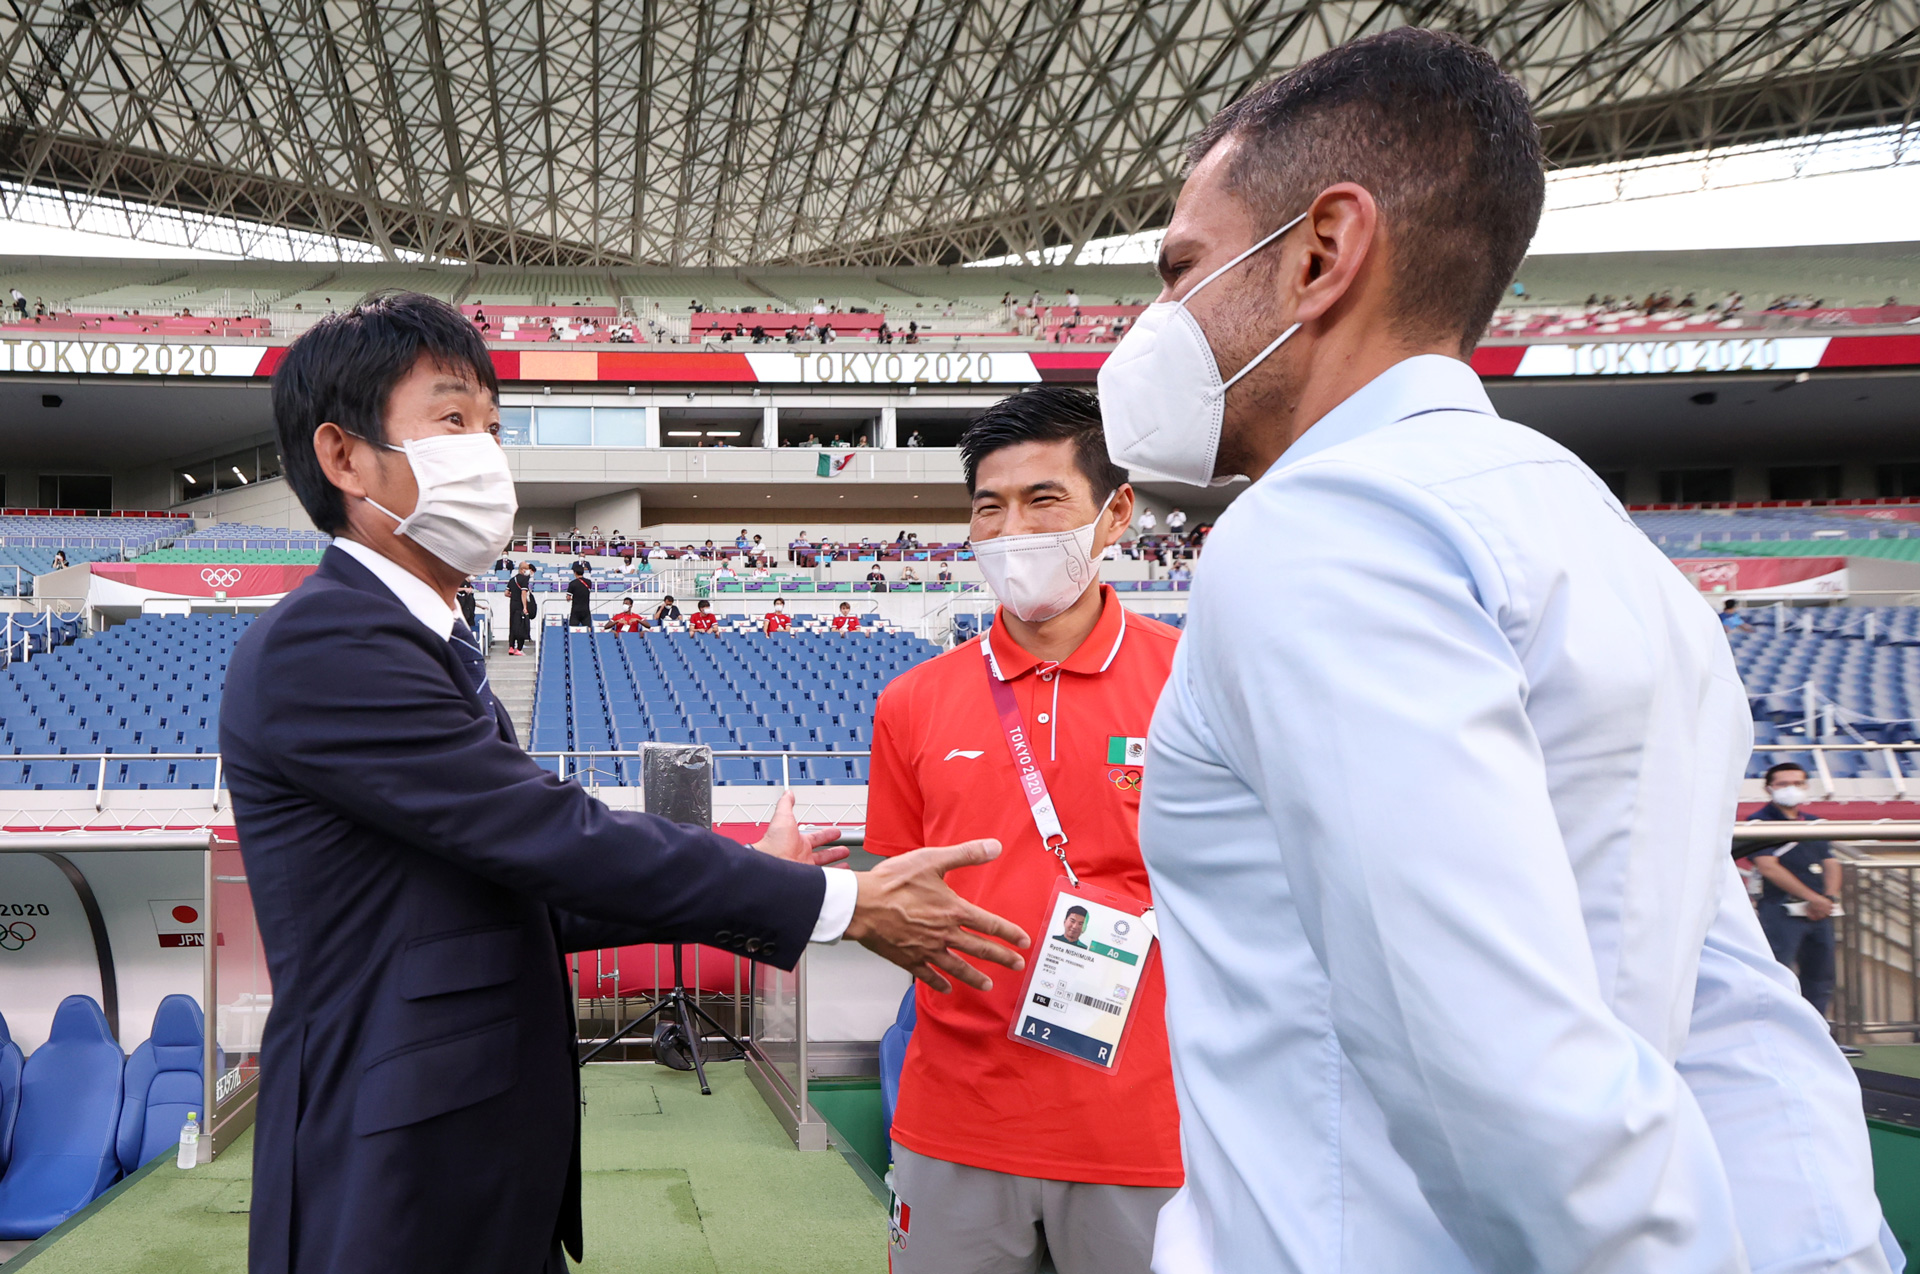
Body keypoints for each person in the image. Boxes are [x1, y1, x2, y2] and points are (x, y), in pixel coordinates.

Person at [1113, 29, 1894, 1274]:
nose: (1160, 318)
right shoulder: (1614, 552)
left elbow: (1494, 1079)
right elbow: (1732, 1022)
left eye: (1183, 267)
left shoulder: (1317, 529)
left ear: (1323, 252)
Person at [221, 292, 1030, 1274]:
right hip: (391, 1166)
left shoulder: (435, 642)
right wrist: (834, 898)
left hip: (472, 1155)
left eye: (490, 424)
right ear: (344, 456)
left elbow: (516, 891)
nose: (486, 450)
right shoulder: (330, 641)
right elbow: (549, 835)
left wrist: (744, 870)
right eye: (450, 420)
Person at [871, 386, 1181, 1274]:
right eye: (989, 507)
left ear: (1114, 513)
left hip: (1145, 1125)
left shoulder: (1193, 682)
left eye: (1044, 500)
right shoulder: (913, 702)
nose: (1013, 530)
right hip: (956, 1121)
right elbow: (901, 898)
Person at [1745, 763, 1841, 1016]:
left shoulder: (1813, 823)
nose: (1791, 789)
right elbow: (1768, 867)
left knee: (1820, 976)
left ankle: (1820, 1038)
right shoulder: (1758, 822)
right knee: (1777, 974)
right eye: (1783, 784)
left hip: (1819, 913)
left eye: (1798, 783)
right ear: (1769, 788)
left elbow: (1830, 862)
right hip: (1780, 911)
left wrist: (1828, 898)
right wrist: (1813, 898)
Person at [506, 561, 534, 655]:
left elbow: (506, 593)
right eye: (527, 569)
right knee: (521, 626)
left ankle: (511, 646)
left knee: (512, 625)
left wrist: (513, 596)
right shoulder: (524, 580)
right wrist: (525, 607)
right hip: (520, 605)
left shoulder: (512, 579)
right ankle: (519, 649)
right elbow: (524, 593)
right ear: (522, 569)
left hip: (512, 604)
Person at [566, 562, 592, 627]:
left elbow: (568, 597)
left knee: (573, 628)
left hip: (575, 609)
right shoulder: (589, 582)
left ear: (575, 573)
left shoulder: (572, 583)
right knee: (587, 627)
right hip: (586, 609)